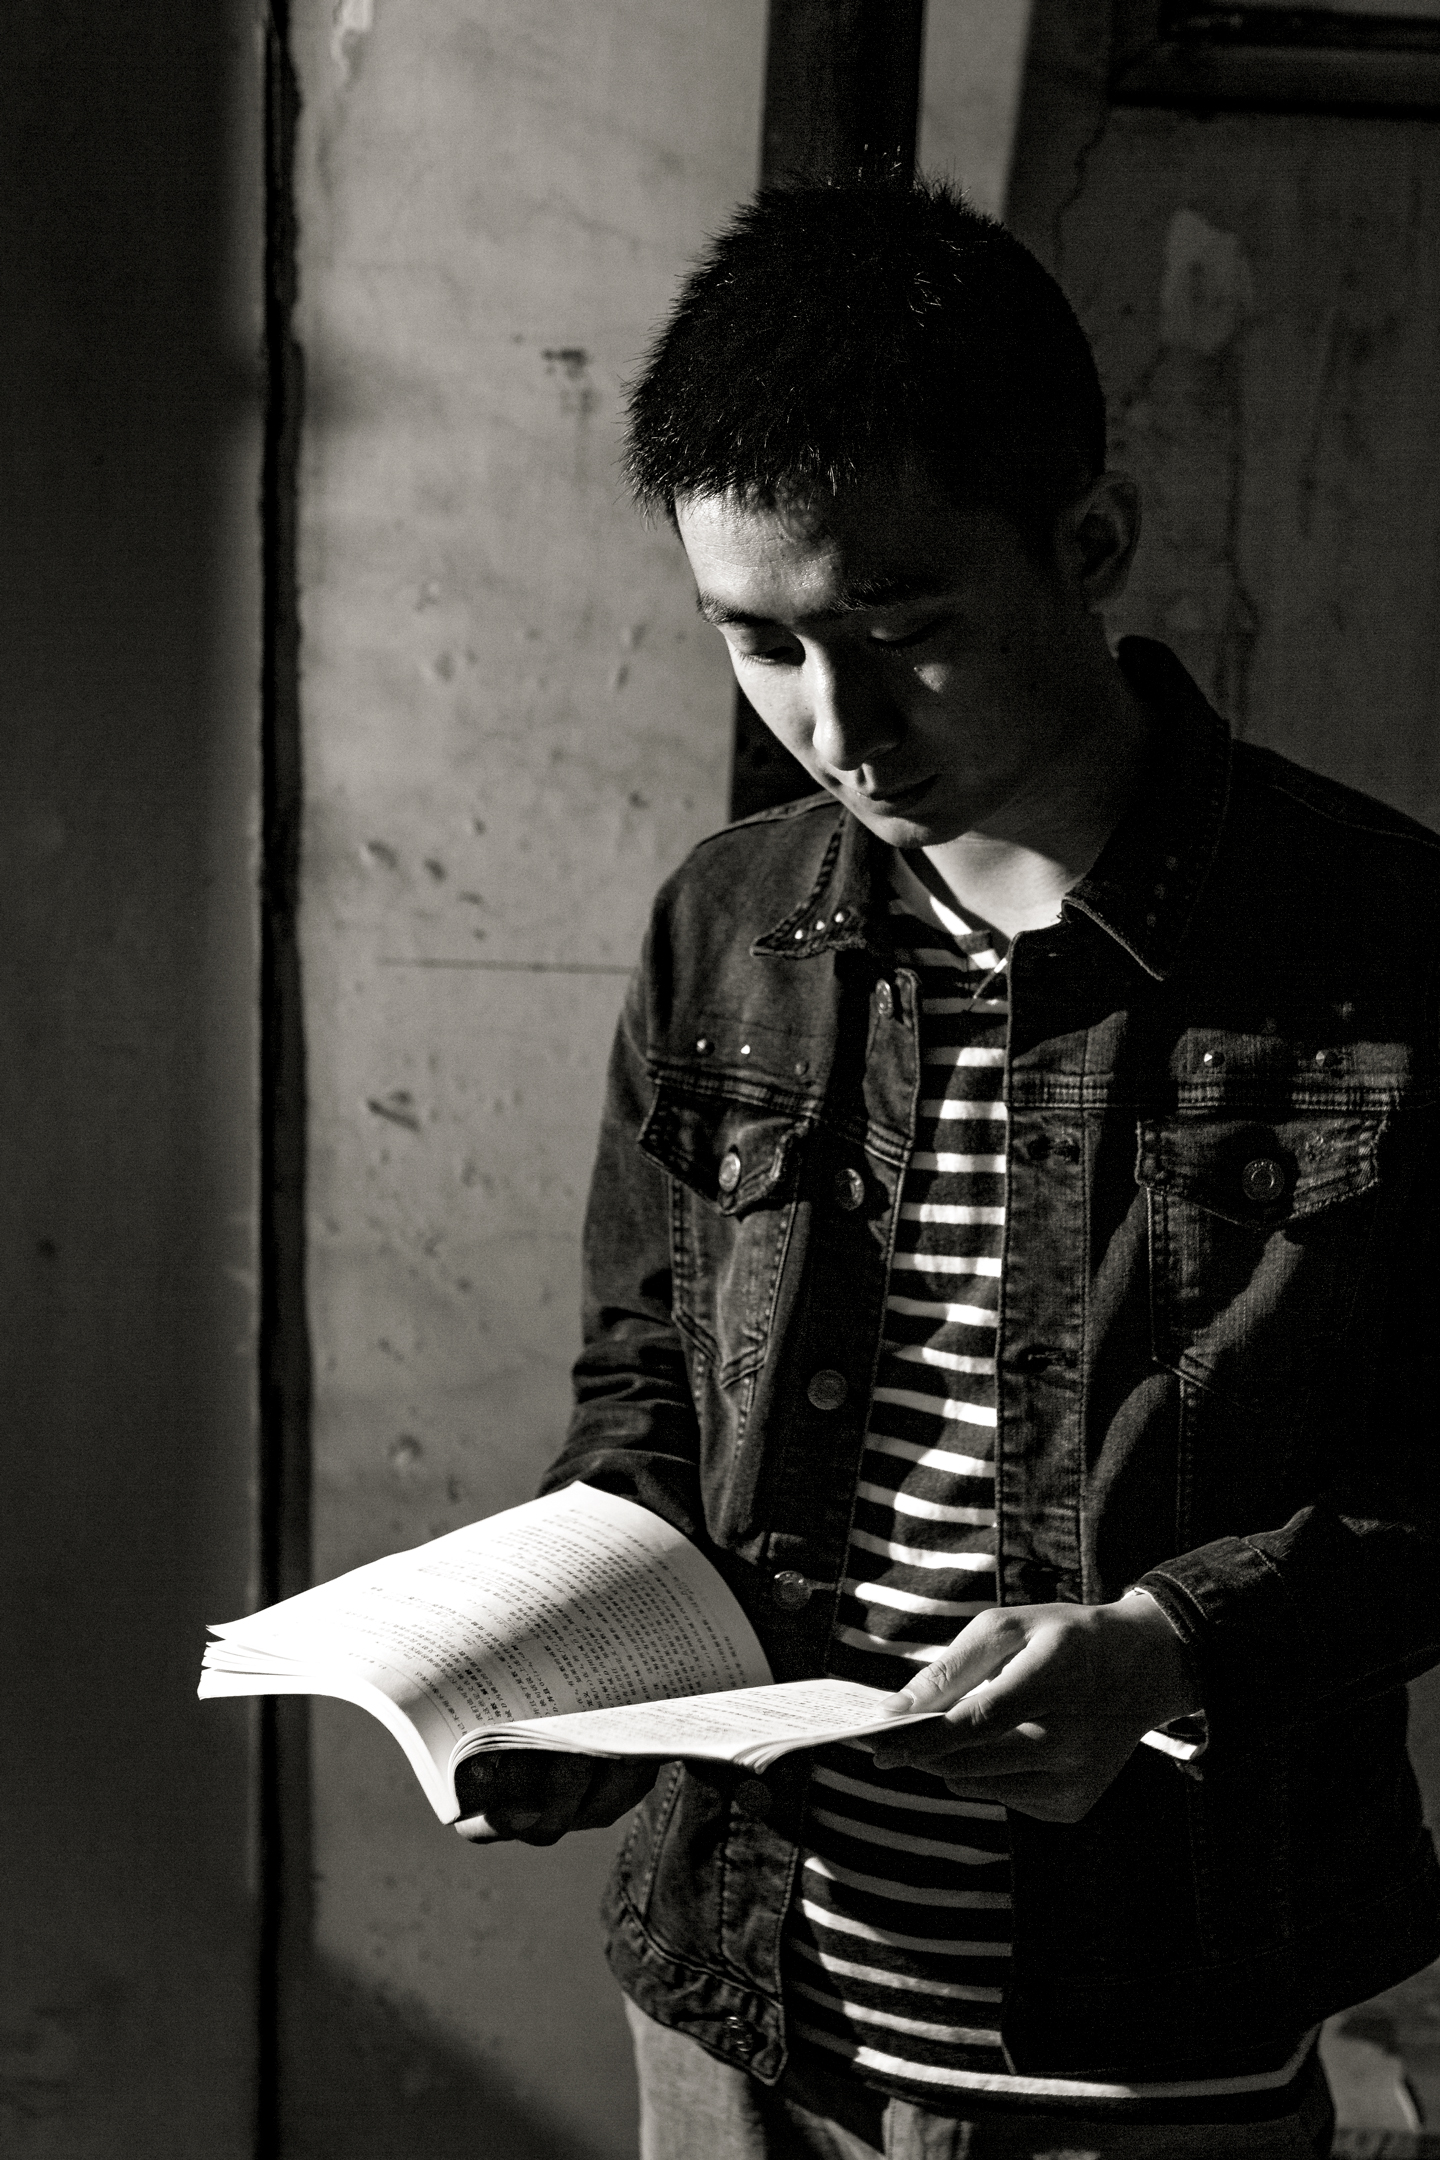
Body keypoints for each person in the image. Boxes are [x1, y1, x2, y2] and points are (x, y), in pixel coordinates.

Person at [458, 180, 1440, 2157]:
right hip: (738, 2004)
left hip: (1146, 2036)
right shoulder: (725, 928)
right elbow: (644, 1396)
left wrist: (1172, 1647)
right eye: (760, 646)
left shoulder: (1376, 939)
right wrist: (566, 1671)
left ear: (1090, 543)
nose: (837, 727)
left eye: (903, 635)